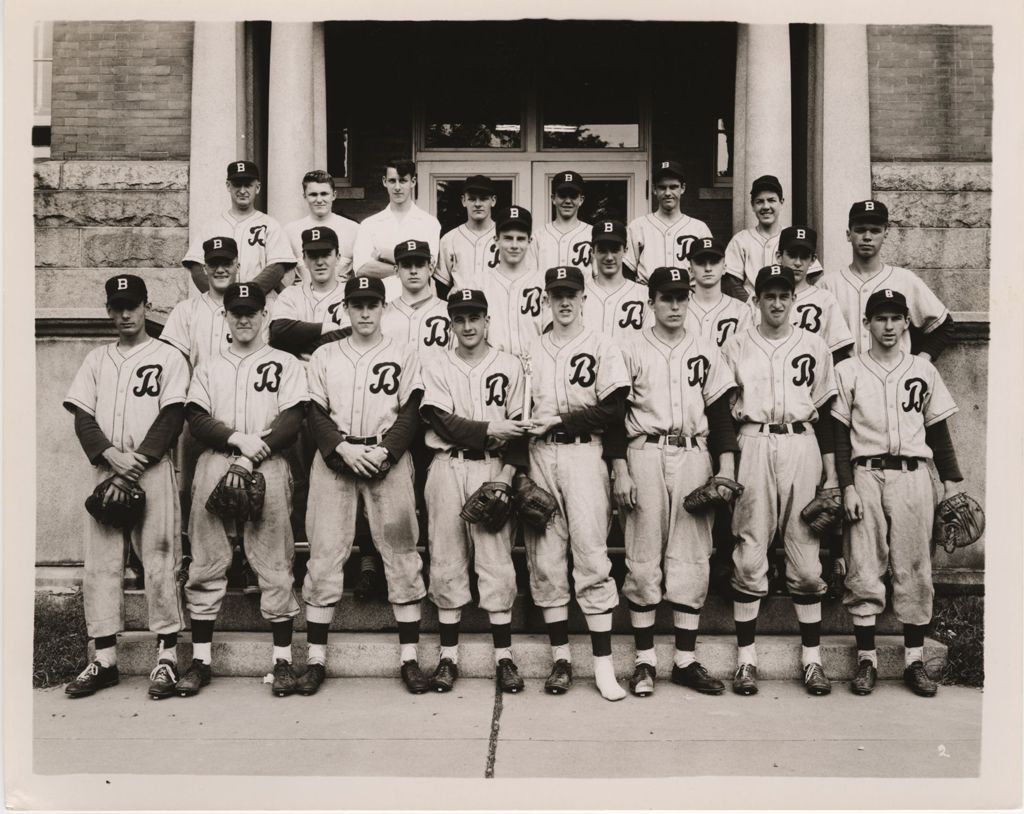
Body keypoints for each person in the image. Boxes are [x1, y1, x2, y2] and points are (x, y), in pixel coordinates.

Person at [612, 266, 740, 698]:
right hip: (644, 451)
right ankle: (645, 662)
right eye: (665, 297)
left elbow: (721, 414)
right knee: (643, 554)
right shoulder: (629, 346)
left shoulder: (705, 347)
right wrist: (620, 468)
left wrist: (725, 469)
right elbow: (613, 414)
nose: (673, 304)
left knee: (691, 555)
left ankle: (685, 660)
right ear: (650, 301)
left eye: (681, 297)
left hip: (692, 453)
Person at [176, 282, 309, 698]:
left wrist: (254, 453)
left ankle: (283, 661)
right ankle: (200, 660)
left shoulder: (285, 363)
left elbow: (294, 417)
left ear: (264, 315)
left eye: (251, 311)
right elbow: (196, 418)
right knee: (207, 557)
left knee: (273, 557)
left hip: (268, 460)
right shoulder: (209, 366)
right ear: (225, 317)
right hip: (218, 459)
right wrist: (238, 441)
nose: (245, 318)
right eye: (237, 311)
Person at [62, 274, 189, 700]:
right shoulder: (97, 359)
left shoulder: (168, 356)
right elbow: (82, 416)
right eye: (117, 306)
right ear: (108, 311)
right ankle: (104, 660)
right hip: (106, 467)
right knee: (101, 565)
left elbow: (172, 415)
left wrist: (137, 462)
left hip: (149, 469)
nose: (124, 313)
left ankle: (167, 656)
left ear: (145, 306)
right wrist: (109, 456)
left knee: (160, 560)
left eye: (131, 305)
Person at [832, 288, 964, 698]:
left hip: (912, 475)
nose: (888, 326)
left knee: (915, 566)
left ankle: (914, 661)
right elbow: (838, 434)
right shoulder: (849, 370)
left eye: (896, 318)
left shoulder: (923, 371)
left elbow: (937, 430)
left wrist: (952, 480)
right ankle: (867, 660)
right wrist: (846, 486)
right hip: (865, 474)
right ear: (867, 324)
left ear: (907, 322)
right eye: (880, 318)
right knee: (863, 567)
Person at [302, 275, 427, 695]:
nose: (365, 312)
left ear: (383, 308)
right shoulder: (324, 355)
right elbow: (314, 413)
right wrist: (341, 449)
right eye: (358, 304)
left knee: (402, 553)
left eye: (372, 304)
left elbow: (411, 411)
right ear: (346, 309)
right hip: (336, 462)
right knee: (323, 555)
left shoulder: (404, 353)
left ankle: (409, 658)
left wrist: (387, 452)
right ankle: (316, 659)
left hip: (385, 460)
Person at [721, 265, 839, 697]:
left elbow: (825, 414)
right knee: (750, 555)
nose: (776, 302)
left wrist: (831, 474)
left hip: (801, 443)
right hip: (752, 440)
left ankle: (812, 660)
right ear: (756, 299)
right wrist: (727, 463)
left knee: (807, 563)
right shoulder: (736, 345)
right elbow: (720, 409)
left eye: (783, 295)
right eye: (768, 295)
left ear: (794, 299)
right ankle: (746, 660)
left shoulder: (814, 345)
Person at [523, 266, 631, 701]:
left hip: (586, 453)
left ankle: (604, 668)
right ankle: (561, 660)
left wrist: (564, 420)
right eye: (556, 294)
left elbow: (614, 410)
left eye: (571, 294)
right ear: (546, 298)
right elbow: (519, 414)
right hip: (540, 454)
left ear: (584, 298)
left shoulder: (603, 345)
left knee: (591, 553)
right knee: (546, 559)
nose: (564, 301)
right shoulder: (530, 350)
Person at [419, 288, 532, 693]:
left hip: (492, 470)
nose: (468, 326)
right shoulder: (435, 364)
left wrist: (504, 475)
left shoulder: (511, 365)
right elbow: (440, 423)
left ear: (487, 321)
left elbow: (520, 431)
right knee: (447, 559)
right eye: (460, 319)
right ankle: (449, 657)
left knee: (496, 561)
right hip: (448, 465)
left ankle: (504, 657)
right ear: (450, 323)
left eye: (475, 318)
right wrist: (489, 430)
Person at [816, 200, 955, 359]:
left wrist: (921, 362)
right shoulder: (827, 285)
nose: (867, 237)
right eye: (860, 230)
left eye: (875, 231)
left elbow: (944, 326)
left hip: (895, 378)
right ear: (849, 234)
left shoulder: (904, 280)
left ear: (885, 234)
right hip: (845, 380)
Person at [182, 161, 296, 295]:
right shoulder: (212, 226)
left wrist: (247, 295)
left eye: (248, 185)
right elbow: (196, 267)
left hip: (261, 303)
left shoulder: (270, 225)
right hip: (220, 305)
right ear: (228, 186)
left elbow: (277, 267)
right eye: (237, 185)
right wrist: (219, 297)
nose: (242, 191)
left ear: (257, 187)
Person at [352, 158, 441, 302]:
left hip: (419, 304)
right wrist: (410, 264)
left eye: (403, 180)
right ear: (384, 181)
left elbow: (428, 266)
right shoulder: (369, 224)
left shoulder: (429, 223)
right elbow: (362, 269)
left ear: (413, 181)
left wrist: (384, 255)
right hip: (381, 303)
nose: (397, 187)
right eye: (392, 181)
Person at [722, 175, 822, 301]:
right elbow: (731, 284)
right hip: (751, 309)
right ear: (752, 205)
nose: (765, 207)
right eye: (759, 201)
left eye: (771, 200)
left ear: (781, 202)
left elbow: (815, 278)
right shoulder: (740, 240)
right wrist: (752, 308)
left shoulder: (794, 237)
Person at [770, 226, 854, 362]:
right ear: (779, 256)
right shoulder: (762, 297)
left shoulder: (824, 299)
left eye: (804, 257)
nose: (797, 263)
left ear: (813, 259)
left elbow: (838, 350)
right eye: (791, 255)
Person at [625, 160, 711, 284]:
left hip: (688, 296)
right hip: (648, 295)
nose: (668, 193)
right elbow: (628, 269)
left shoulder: (699, 228)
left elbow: (710, 269)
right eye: (662, 187)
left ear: (683, 188)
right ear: (654, 189)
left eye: (673, 187)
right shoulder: (638, 226)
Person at [478, 206, 548, 358]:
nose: (514, 245)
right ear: (496, 240)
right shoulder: (480, 283)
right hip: (494, 365)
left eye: (521, 239)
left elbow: (552, 332)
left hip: (536, 365)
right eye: (508, 238)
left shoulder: (543, 282)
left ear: (530, 241)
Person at [284, 169, 359, 287]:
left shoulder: (354, 229)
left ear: (334, 195)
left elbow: (360, 273)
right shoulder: (290, 231)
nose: (319, 200)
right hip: (303, 300)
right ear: (304, 196)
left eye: (324, 194)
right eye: (313, 195)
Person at [582, 219, 650, 340]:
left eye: (615, 250)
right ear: (592, 252)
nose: (609, 257)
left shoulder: (644, 295)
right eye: (602, 250)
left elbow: (649, 345)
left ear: (625, 251)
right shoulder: (580, 295)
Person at [382, 240, 453, 352]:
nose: (413, 271)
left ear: (430, 269)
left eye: (419, 265)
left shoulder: (449, 312)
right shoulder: (383, 314)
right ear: (396, 271)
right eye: (406, 265)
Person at [434, 175, 500, 294]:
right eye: (472, 199)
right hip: (461, 309)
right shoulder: (449, 239)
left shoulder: (506, 237)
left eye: (484, 198)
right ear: (463, 201)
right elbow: (442, 286)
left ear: (493, 201)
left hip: (498, 307)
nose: (478, 204)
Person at [685, 237, 753, 347]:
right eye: (700, 262)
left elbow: (744, 354)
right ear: (690, 270)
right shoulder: (679, 308)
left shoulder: (741, 310)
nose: (708, 268)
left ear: (725, 268)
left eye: (714, 262)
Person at [534, 170, 592, 273]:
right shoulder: (538, 235)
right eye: (562, 195)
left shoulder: (592, 233)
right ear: (553, 199)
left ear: (581, 200)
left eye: (573, 196)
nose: (568, 201)